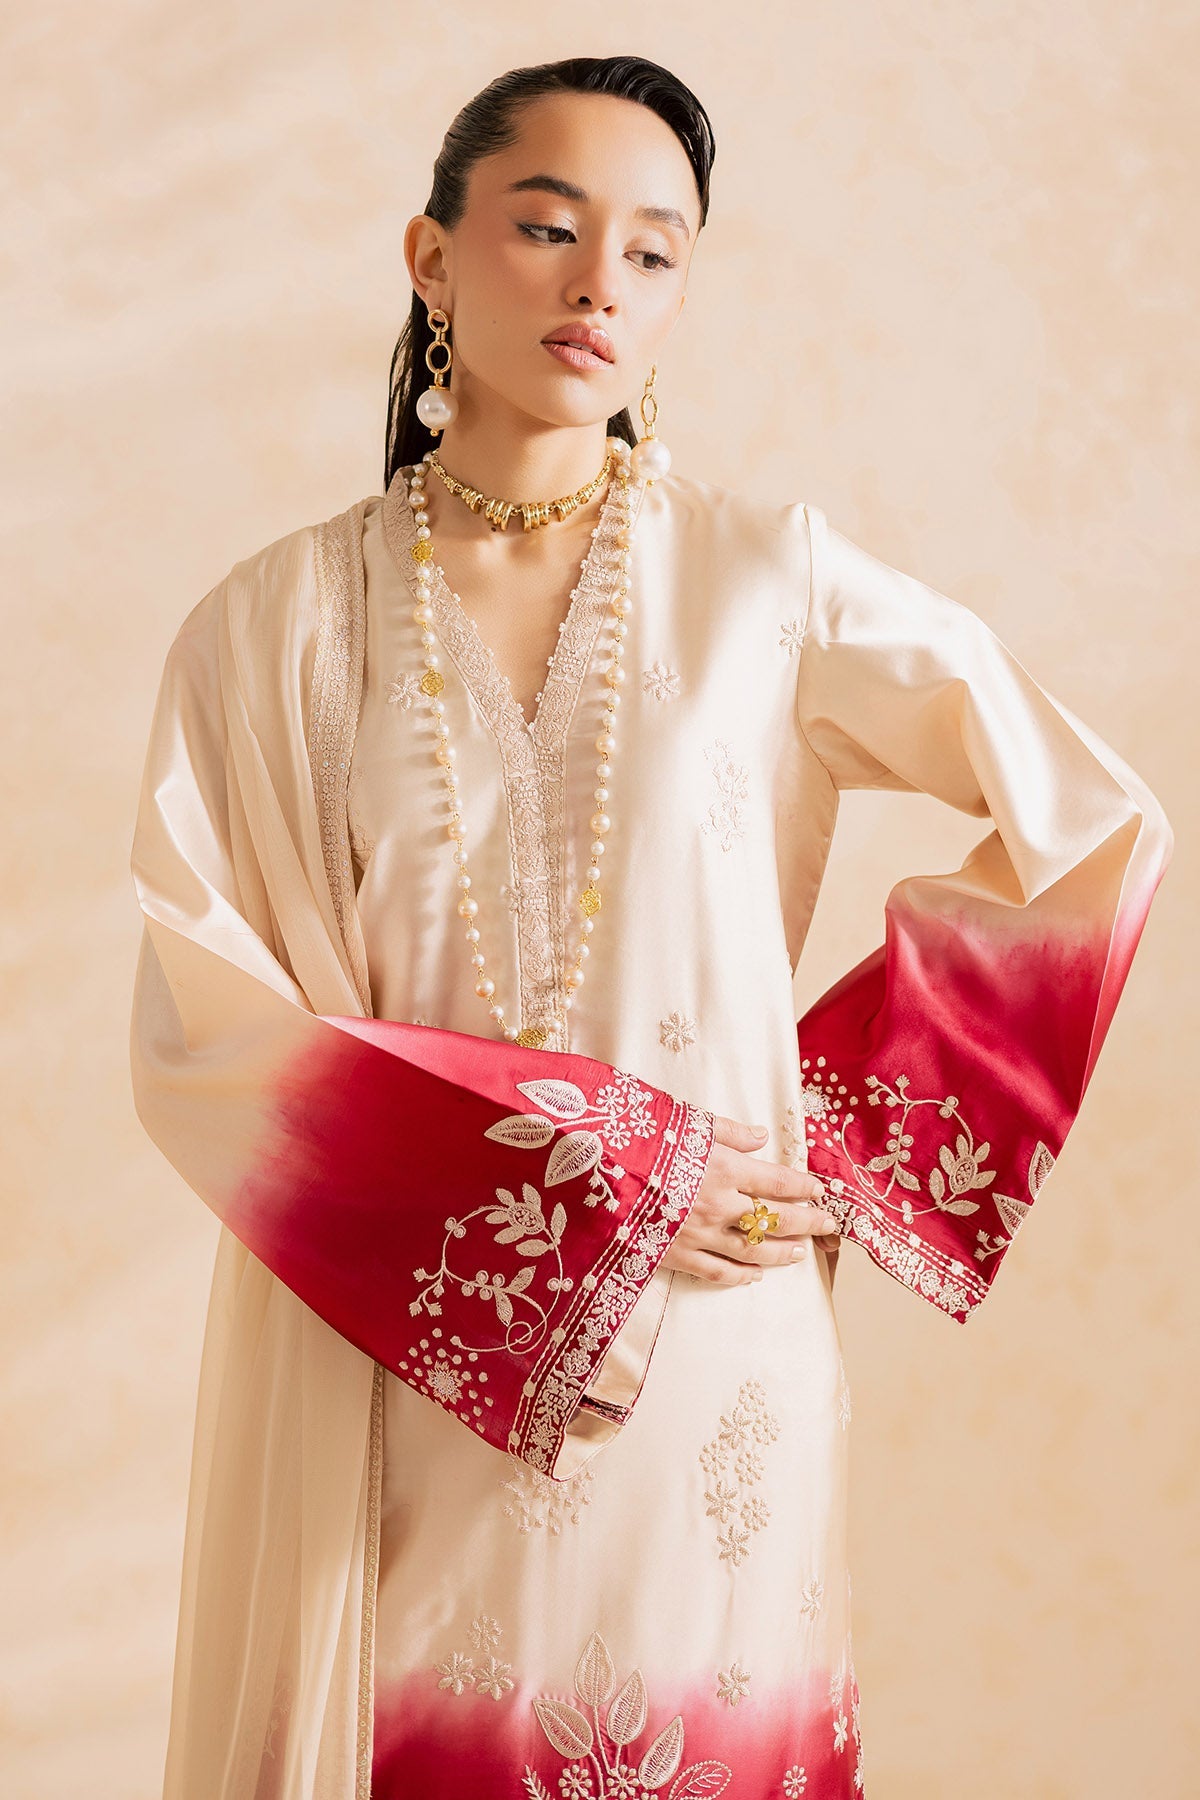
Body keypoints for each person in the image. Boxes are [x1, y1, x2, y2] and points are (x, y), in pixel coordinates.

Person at [128, 53, 1173, 1800]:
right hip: (414, 1353)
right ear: (431, 256)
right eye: (548, 227)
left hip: (713, 1366)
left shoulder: (769, 581)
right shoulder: (272, 631)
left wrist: (834, 1132)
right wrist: (593, 1174)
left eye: (656, 250)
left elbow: (1094, 823)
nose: (601, 282)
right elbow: (204, 1023)